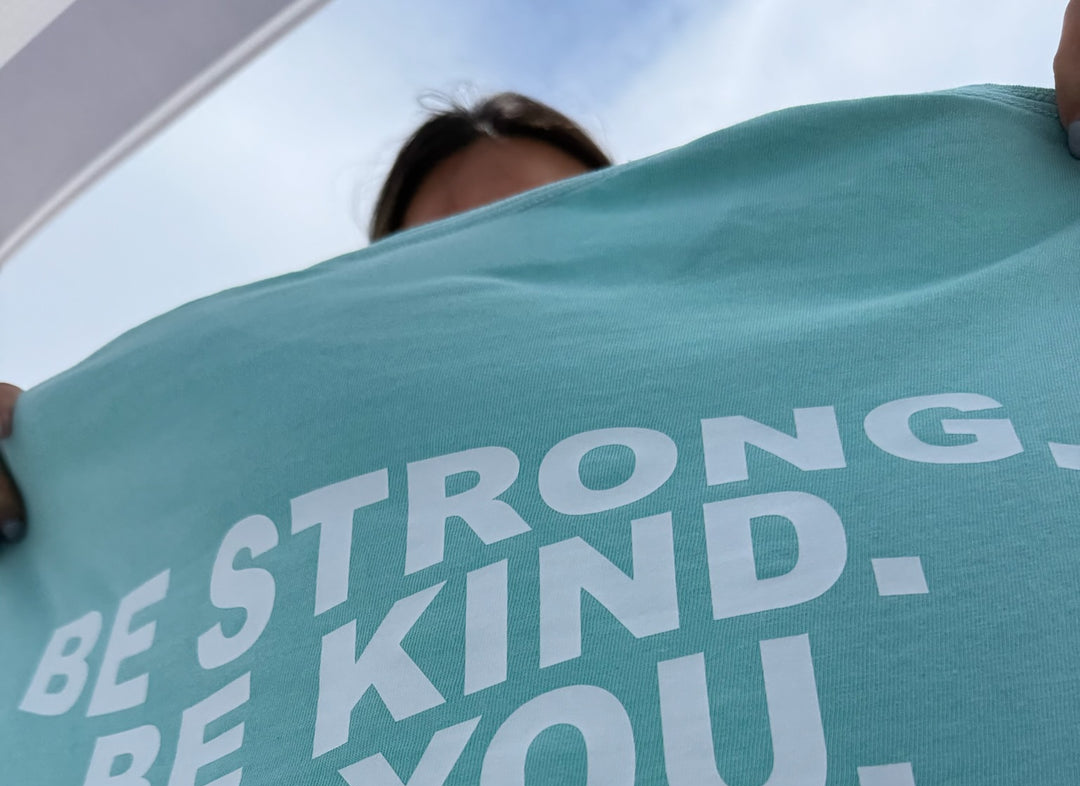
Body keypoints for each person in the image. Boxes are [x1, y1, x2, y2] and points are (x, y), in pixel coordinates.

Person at [4, 1, 1080, 546]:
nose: (505, 284)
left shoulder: (867, 354)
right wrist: (68, 495)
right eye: (445, 251)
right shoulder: (247, 497)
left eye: (558, 222)